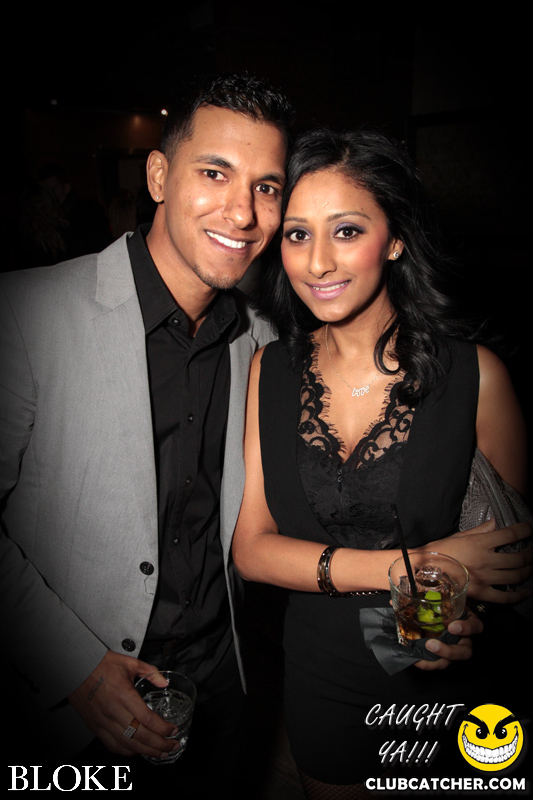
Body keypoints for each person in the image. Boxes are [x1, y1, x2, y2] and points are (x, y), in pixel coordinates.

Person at [0, 73, 292, 790]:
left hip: (221, 682)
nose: (242, 212)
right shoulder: (27, 314)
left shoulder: (260, 340)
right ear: (158, 176)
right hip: (74, 704)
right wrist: (72, 666)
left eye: (266, 186)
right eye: (214, 173)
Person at [232, 127, 532, 798]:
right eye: (297, 234)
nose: (317, 263)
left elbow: (509, 565)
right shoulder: (268, 372)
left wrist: (468, 619)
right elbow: (252, 549)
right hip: (318, 673)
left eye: (346, 231)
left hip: (447, 683)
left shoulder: (476, 377)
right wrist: (410, 566)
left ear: (394, 239)